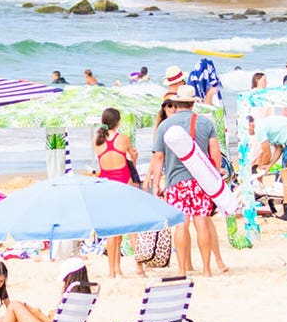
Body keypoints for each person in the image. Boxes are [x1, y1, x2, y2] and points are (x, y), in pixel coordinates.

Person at [150, 86, 224, 277]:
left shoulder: (164, 126)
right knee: (201, 223)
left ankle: (182, 269)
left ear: (176, 103)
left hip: (175, 182)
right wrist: (216, 175)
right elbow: (214, 151)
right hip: (201, 181)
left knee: (181, 226)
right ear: (193, 103)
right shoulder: (205, 123)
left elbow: (158, 157)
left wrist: (156, 183)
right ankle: (207, 269)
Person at [0, 256, 92, 322]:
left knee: (14, 305)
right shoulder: (85, 296)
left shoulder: (71, 297)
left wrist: (40, 315)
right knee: (23, 309)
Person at [92, 108, 138, 278]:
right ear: (118, 122)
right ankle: (124, 268)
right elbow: (133, 159)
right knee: (128, 228)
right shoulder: (123, 139)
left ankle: (114, 269)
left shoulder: (97, 140)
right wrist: (135, 157)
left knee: (113, 231)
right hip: (123, 184)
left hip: (105, 185)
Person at [248, 114, 287, 209]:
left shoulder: (259, 129)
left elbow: (267, 153)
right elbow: (278, 149)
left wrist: (261, 168)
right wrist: (269, 165)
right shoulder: (263, 125)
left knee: (285, 174)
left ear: (250, 124)